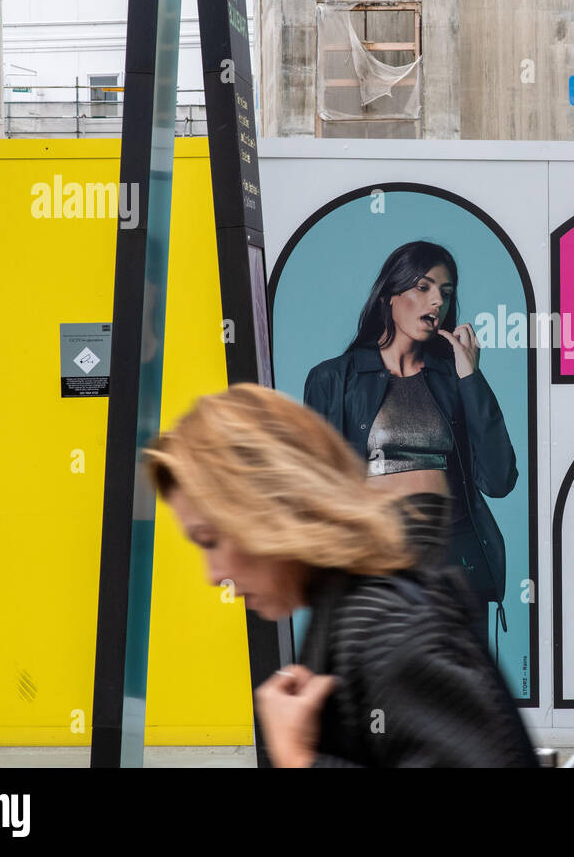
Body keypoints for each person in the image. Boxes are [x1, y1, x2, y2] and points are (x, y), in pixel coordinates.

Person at [143, 383, 538, 768]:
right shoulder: (354, 615)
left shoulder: (390, 632)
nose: (213, 576)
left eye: (210, 539)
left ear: (266, 506)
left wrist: (298, 758)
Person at [302, 240, 517, 650]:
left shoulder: (453, 378)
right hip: (377, 568)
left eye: (446, 292)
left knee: (453, 702)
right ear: (390, 295)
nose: (437, 300)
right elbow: (318, 491)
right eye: (423, 287)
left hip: (455, 567)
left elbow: (499, 479)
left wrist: (472, 377)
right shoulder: (334, 379)